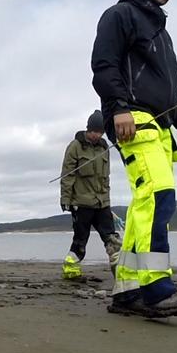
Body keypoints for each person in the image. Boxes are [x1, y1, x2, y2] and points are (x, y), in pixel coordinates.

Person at [91, 0, 177, 318]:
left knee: (146, 203)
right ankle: (157, 287)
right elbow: (103, 65)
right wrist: (119, 107)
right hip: (133, 120)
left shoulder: (163, 35)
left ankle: (128, 291)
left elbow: (171, 94)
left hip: (159, 128)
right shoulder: (119, 15)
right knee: (159, 196)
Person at [60, 110, 121, 280]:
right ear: (88, 129)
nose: (97, 135)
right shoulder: (75, 146)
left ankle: (121, 272)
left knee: (112, 239)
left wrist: (107, 199)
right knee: (80, 240)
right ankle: (71, 270)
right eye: (94, 131)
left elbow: (106, 177)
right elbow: (67, 175)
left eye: (100, 132)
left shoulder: (104, 147)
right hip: (81, 203)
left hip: (102, 203)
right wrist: (66, 200)